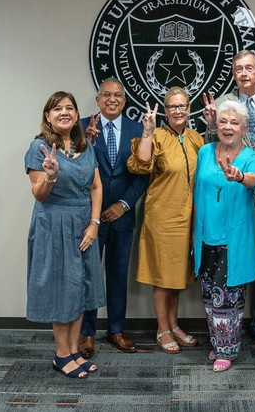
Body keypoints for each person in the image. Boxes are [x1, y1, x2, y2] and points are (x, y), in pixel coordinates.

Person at [203, 49, 255, 350]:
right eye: (238, 68)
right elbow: (215, 148)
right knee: (228, 256)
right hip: (233, 192)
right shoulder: (222, 106)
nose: (244, 73)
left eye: (249, 67)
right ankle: (226, 328)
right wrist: (212, 125)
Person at [25, 91, 104, 378]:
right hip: (54, 224)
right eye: (57, 108)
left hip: (84, 222)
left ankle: (73, 350)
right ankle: (61, 355)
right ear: (48, 115)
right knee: (61, 288)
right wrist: (50, 175)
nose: (64, 112)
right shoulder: (39, 147)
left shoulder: (85, 145)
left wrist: (95, 222)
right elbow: (39, 195)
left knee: (81, 287)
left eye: (70, 107)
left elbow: (96, 187)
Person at [127, 87, 203, 354]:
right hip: (161, 217)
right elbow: (140, 165)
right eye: (172, 107)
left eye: (182, 106)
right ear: (165, 110)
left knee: (178, 276)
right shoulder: (156, 135)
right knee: (163, 277)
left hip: (188, 218)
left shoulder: (196, 139)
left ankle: (174, 325)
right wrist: (147, 132)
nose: (178, 111)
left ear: (189, 108)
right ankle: (162, 329)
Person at [79, 78, 149, 358]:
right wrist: (85, 142)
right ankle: (86, 333)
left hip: (121, 216)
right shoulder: (81, 128)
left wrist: (124, 204)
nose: (112, 99)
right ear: (97, 99)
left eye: (117, 95)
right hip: (87, 218)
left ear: (124, 100)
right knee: (89, 277)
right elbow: (71, 163)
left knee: (118, 276)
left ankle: (116, 330)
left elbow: (144, 173)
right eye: (106, 94)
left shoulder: (138, 130)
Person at [193, 101, 255, 372]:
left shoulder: (251, 157)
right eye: (223, 121)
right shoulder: (204, 151)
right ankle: (218, 342)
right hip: (205, 237)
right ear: (216, 125)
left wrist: (239, 176)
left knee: (229, 298)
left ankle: (228, 350)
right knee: (210, 296)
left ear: (244, 128)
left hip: (233, 242)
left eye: (234, 123)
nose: (228, 127)